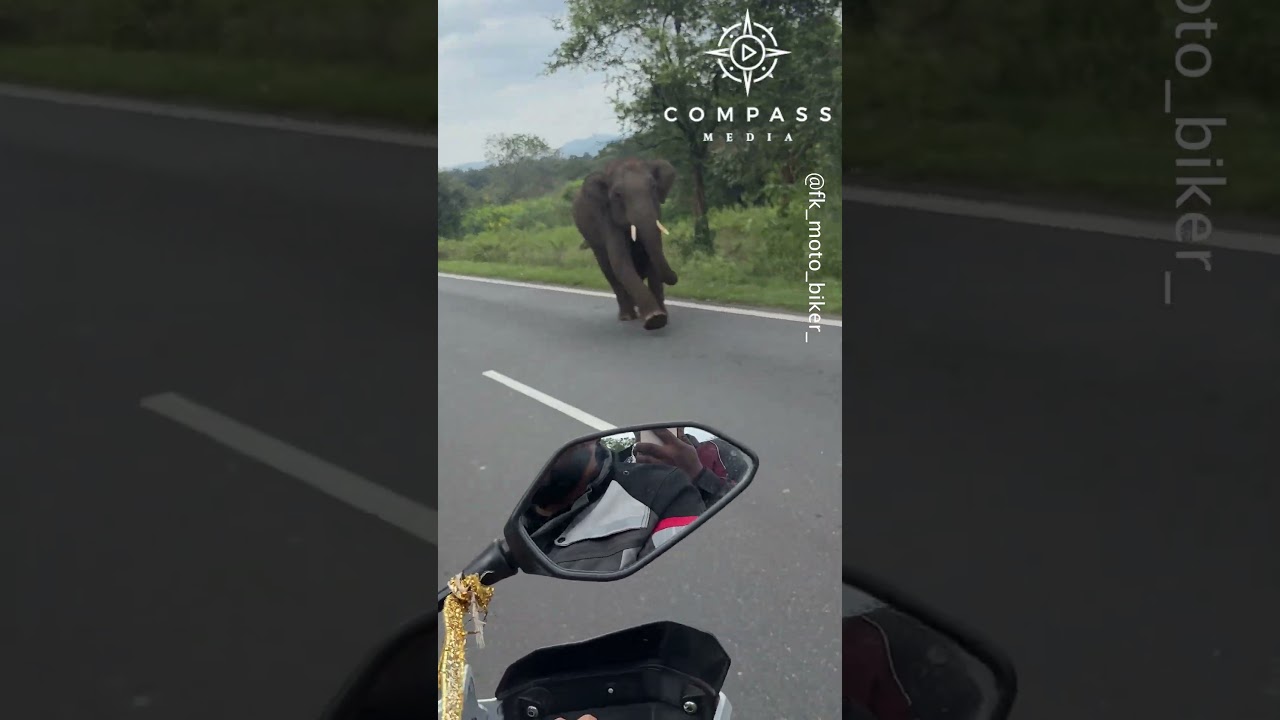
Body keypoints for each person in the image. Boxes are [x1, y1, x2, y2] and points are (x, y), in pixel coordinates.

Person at [527, 432, 708, 572]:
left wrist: (701, 476)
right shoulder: (518, 510)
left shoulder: (662, 489)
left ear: (592, 439)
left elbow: (679, 578)